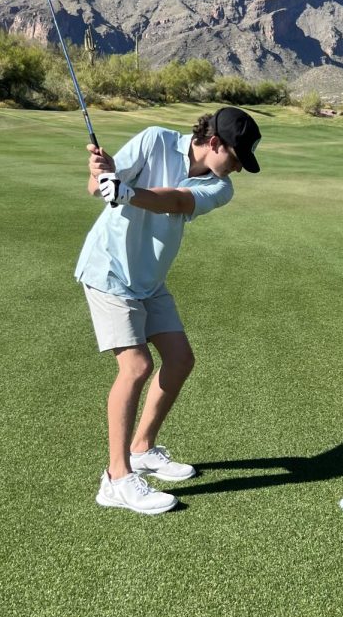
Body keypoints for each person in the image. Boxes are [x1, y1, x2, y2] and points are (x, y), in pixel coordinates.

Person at [75, 106, 262, 514]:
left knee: (179, 360)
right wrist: (101, 170)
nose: (237, 169)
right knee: (137, 366)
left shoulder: (220, 187)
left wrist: (126, 191)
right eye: (235, 157)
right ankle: (117, 479)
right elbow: (96, 188)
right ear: (214, 142)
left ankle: (141, 448)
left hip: (149, 279)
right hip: (109, 270)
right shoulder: (154, 140)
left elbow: (176, 201)